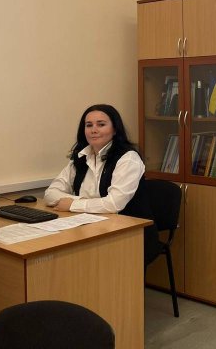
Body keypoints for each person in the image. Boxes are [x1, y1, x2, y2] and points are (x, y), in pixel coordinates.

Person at [44, 104, 159, 262]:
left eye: (101, 124)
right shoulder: (81, 157)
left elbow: (114, 204)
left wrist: (72, 204)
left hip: (131, 235)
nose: (94, 130)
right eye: (89, 125)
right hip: (90, 229)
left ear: (115, 129)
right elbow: (50, 194)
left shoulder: (128, 158)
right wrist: (83, 202)